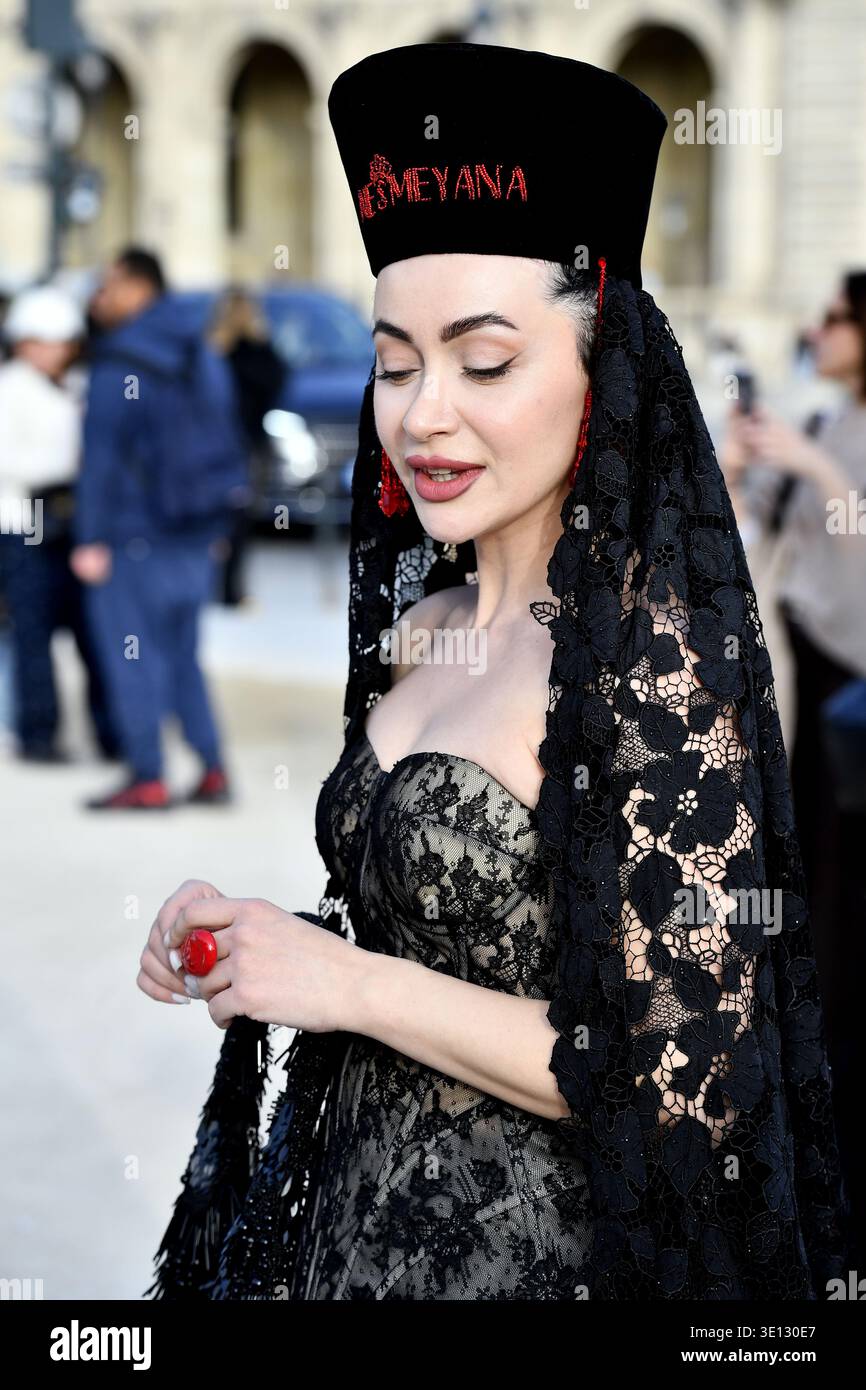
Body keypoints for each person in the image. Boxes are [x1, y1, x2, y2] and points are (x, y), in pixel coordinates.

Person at [139, 44, 849, 1301]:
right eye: (397, 363)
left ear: (601, 369)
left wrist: (349, 981)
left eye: (482, 361)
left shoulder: (654, 670)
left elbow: (685, 1082)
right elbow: (452, 949)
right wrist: (263, 947)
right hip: (339, 1245)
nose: (421, 417)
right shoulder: (428, 625)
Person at [720, 271, 866, 1266]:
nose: (815, 331)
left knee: (846, 890)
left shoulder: (836, 437)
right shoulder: (823, 416)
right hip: (810, 682)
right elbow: (751, 534)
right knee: (806, 881)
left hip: (860, 690)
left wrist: (818, 468)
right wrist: (737, 465)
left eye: (833, 318)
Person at [72, 247, 241, 809]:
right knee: (183, 654)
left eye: (106, 284)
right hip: (195, 531)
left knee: (132, 653)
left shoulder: (119, 359)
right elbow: (228, 436)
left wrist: (90, 537)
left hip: (132, 534)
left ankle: (148, 775)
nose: (99, 297)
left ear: (134, 285)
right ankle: (212, 767)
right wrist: (219, 525)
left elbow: (101, 457)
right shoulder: (201, 351)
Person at [0, 284, 117, 761]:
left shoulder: (74, 385)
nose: (56, 352)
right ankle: (37, 733)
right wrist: (75, 460)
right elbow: (10, 460)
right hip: (22, 526)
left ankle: (111, 732)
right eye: (46, 342)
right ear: (24, 342)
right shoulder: (9, 387)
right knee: (32, 634)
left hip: (70, 526)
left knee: (92, 635)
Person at [207, 286, 286, 605]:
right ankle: (229, 590)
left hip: (222, 445)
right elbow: (277, 385)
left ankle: (219, 587)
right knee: (237, 521)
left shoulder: (215, 355)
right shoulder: (255, 353)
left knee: (221, 520)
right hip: (244, 444)